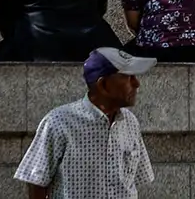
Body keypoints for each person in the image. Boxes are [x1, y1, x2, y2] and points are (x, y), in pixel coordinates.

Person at [15, 47, 155, 198]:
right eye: (128, 77)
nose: (136, 83)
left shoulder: (130, 122)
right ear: (103, 85)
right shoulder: (59, 122)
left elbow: (138, 178)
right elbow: (36, 180)